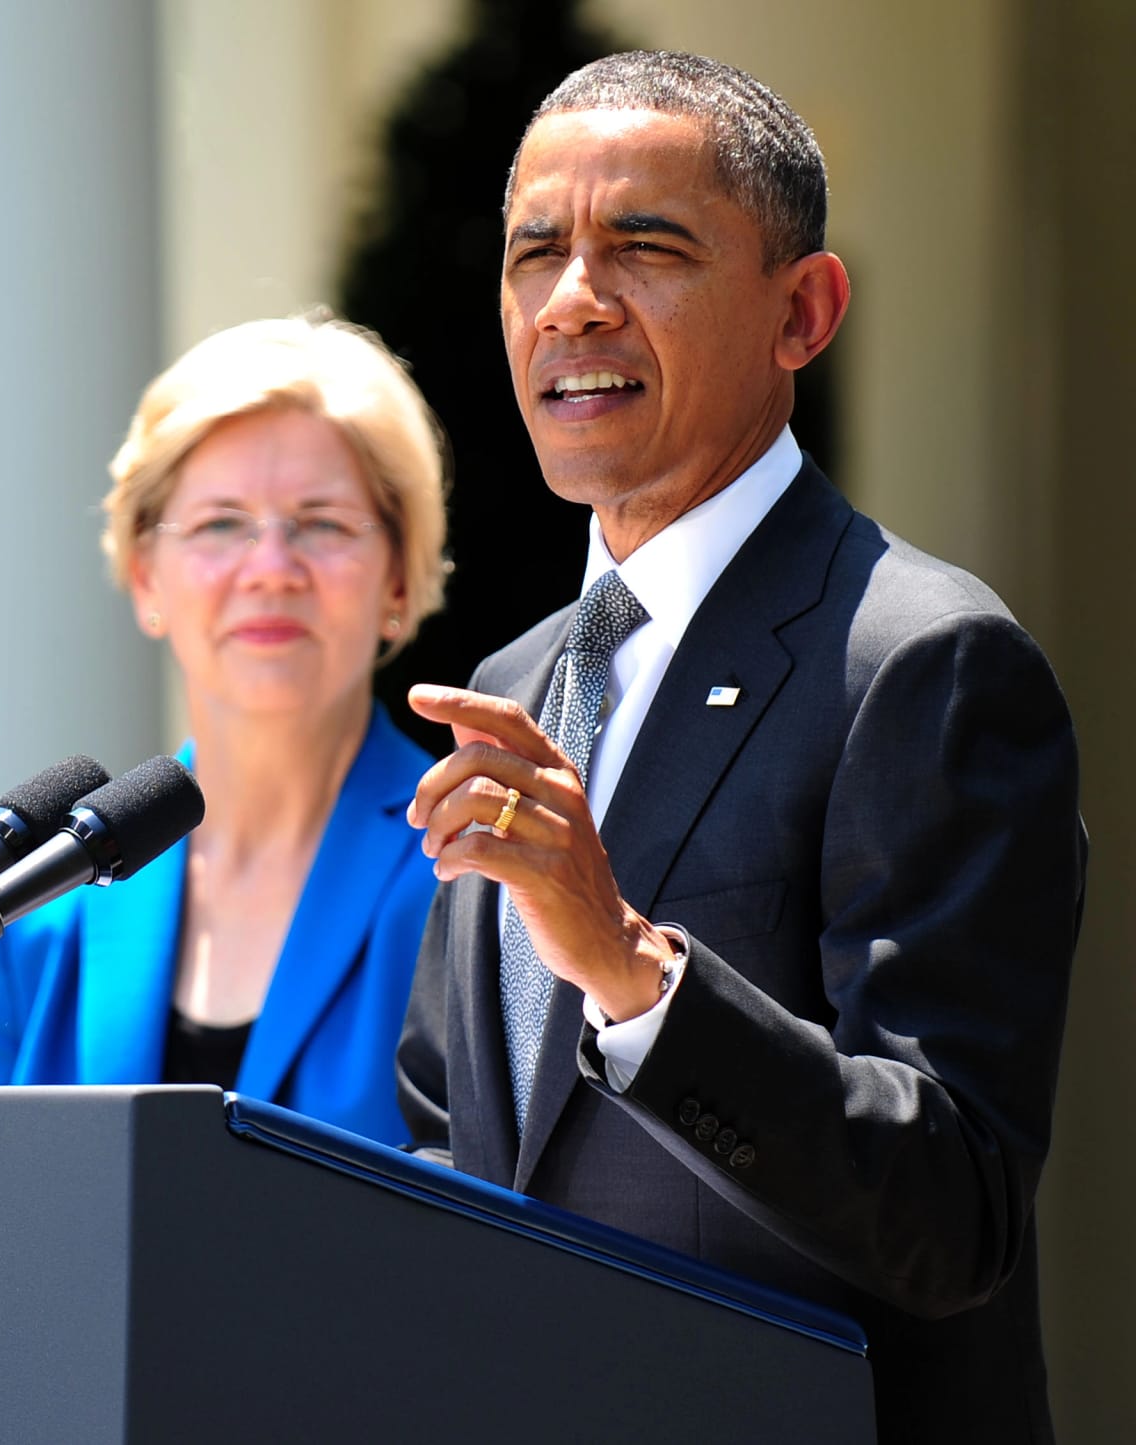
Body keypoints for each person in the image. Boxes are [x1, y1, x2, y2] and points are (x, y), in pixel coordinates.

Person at [395, 52, 1083, 1443]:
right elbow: (461, 1134)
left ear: (802, 312)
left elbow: (952, 1207)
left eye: (645, 247)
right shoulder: (516, 683)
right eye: (535, 254)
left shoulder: (923, 661)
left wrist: (632, 971)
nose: (573, 299)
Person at [0, 315, 449, 1143]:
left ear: (399, 578)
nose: (271, 569)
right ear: (146, 576)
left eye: (323, 523)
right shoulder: (37, 910)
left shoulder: (469, 881)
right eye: (222, 523)